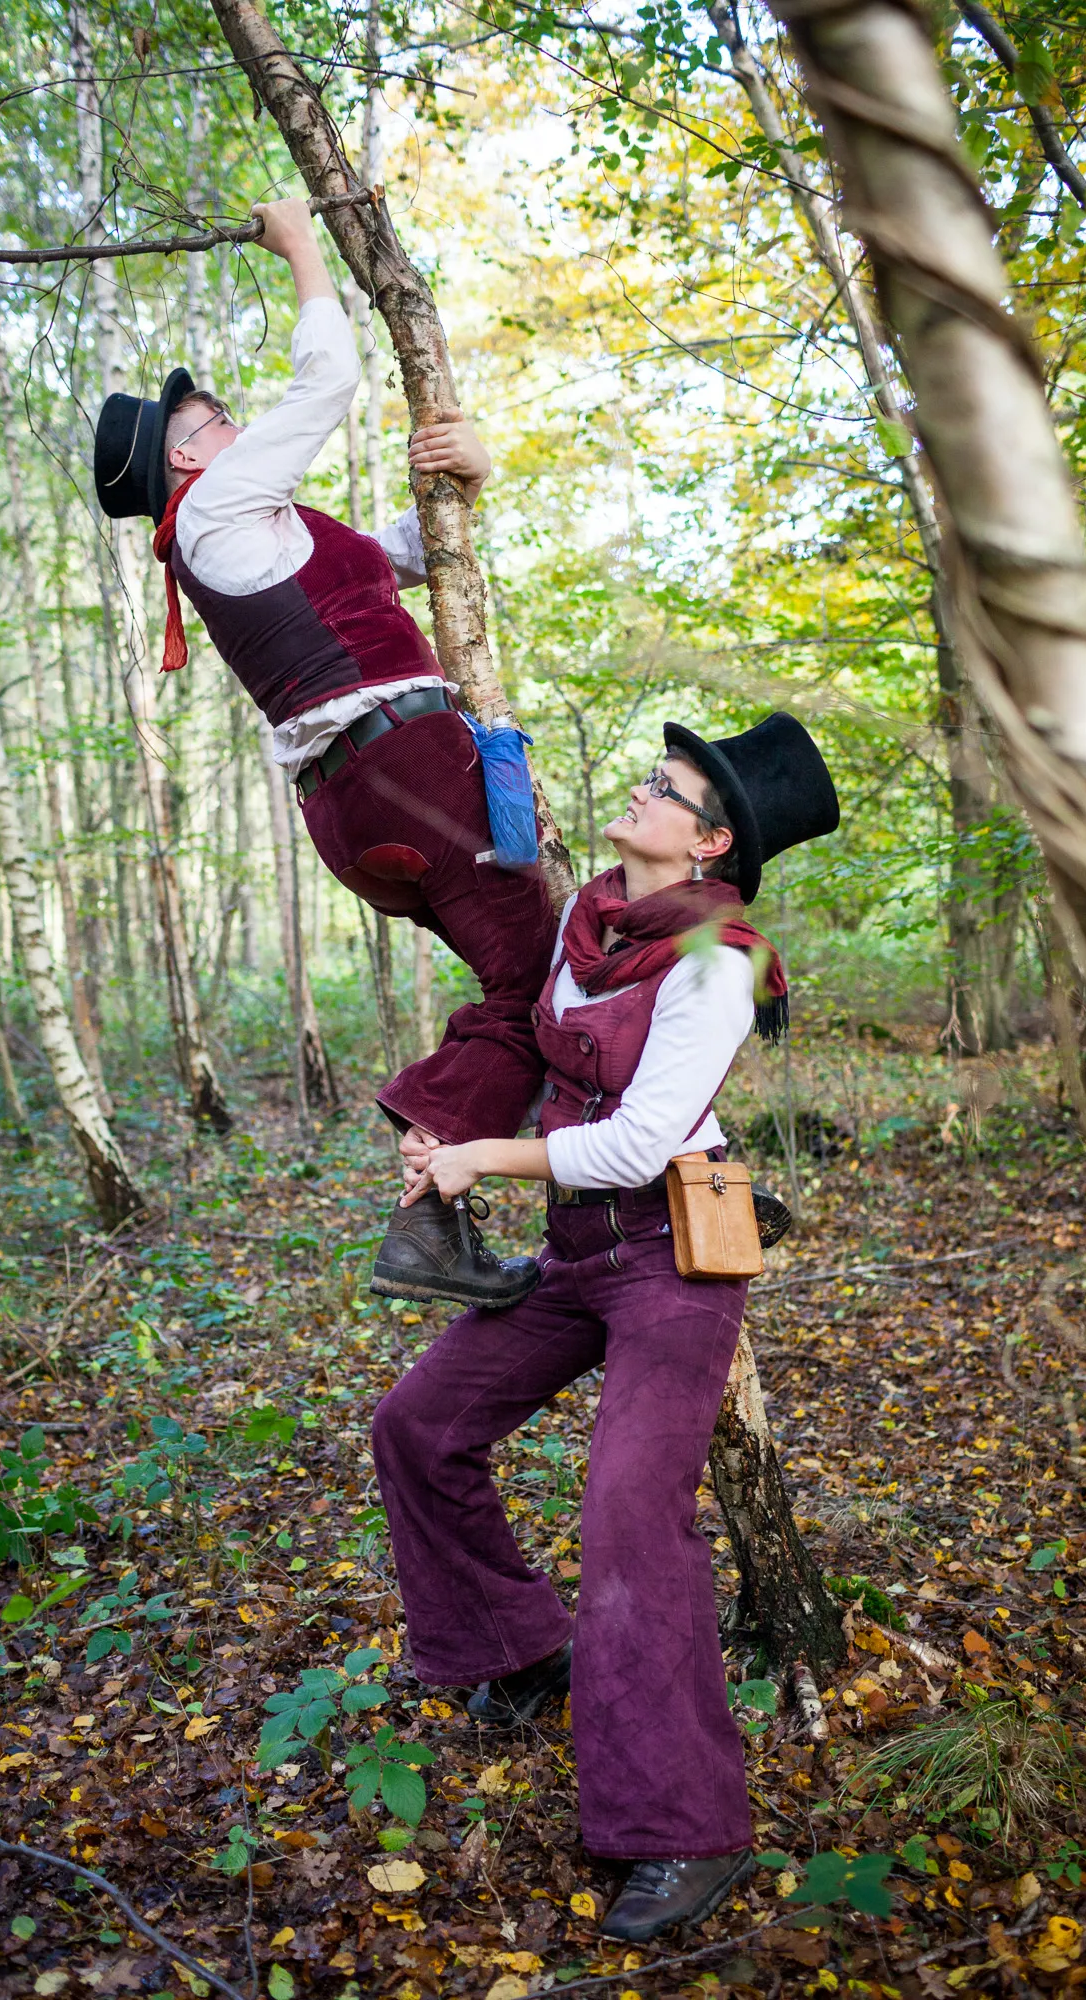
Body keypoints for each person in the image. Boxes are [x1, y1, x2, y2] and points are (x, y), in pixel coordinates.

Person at [371, 710, 840, 1942]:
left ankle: (686, 1829)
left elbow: (639, 1136)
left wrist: (482, 1157)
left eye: (663, 786)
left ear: (711, 838)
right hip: (575, 1246)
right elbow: (533, 1039)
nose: (637, 791)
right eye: (644, 776)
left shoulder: (717, 961)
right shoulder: (587, 919)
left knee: (633, 1515)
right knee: (417, 1427)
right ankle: (523, 1652)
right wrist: (447, 1120)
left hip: (671, 1256)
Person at [92, 196, 556, 1308]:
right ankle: (436, 1191)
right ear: (187, 457)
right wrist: (303, 245)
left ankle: (476, 1186)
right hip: (399, 766)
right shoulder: (211, 515)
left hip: (375, 782)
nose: (236, 421)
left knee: (531, 978)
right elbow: (330, 385)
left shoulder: (256, 524)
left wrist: (465, 474)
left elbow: (396, 557)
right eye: (214, 416)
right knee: (538, 972)